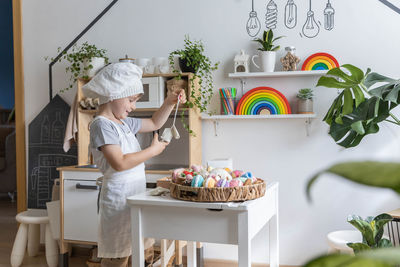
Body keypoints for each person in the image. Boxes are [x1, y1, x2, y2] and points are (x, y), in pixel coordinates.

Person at [82, 62, 186, 267]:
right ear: (113, 95)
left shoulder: (123, 122)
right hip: (117, 200)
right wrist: (152, 151)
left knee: (141, 249)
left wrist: (169, 103)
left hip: (134, 196)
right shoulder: (102, 125)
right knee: (118, 255)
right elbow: (119, 163)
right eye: (130, 100)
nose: (134, 106)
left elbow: (155, 123)